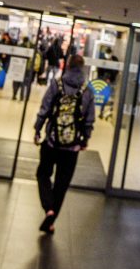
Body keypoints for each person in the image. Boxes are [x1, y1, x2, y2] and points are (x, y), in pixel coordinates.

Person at [32, 54, 95, 234]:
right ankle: (51, 220)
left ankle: (48, 208)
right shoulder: (87, 90)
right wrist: (85, 139)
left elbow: (45, 109)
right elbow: (89, 119)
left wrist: (38, 129)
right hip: (72, 146)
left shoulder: (57, 84)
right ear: (82, 68)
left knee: (43, 173)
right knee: (62, 183)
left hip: (52, 142)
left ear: (67, 66)